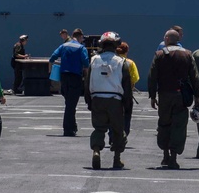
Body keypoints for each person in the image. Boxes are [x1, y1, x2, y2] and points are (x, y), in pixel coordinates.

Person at [148, 29, 199, 169]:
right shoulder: (188, 54)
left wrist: (152, 96)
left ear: (166, 39)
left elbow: (152, 77)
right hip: (181, 96)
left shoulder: (159, 54)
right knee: (179, 125)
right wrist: (198, 97)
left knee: (164, 123)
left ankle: (165, 154)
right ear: (178, 39)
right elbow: (195, 77)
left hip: (165, 95)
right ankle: (173, 157)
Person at [83, 32, 133, 169]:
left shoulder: (94, 60)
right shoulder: (122, 62)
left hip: (97, 99)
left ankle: (96, 150)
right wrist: (127, 104)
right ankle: (116, 158)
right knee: (118, 130)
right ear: (116, 45)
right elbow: (126, 85)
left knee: (99, 128)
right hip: (115, 100)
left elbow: (87, 82)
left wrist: (88, 100)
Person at [49, 29, 89, 136]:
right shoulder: (81, 48)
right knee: (71, 105)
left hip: (64, 77)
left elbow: (52, 57)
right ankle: (68, 128)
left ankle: (72, 126)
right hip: (75, 77)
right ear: (80, 37)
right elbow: (86, 63)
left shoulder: (64, 46)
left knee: (69, 103)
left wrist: (51, 70)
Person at [116, 41, 139, 136]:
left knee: (114, 115)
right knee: (127, 114)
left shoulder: (113, 61)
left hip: (114, 92)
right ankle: (124, 133)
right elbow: (135, 78)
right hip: (127, 93)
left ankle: (112, 135)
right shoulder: (130, 63)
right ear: (126, 51)